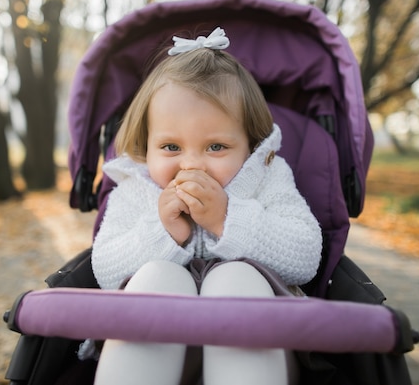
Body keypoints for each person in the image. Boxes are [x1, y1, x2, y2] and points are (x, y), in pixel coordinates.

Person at [89, 27, 323, 385]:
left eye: (216, 147)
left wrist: (227, 219)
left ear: (249, 144)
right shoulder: (135, 188)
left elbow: (305, 254)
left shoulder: (266, 176)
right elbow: (105, 270)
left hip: (257, 344)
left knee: (237, 277)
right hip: (155, 348)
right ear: (146, 145)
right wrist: (163, 234)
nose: (191, 165)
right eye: (170, 147)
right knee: (155, 279)